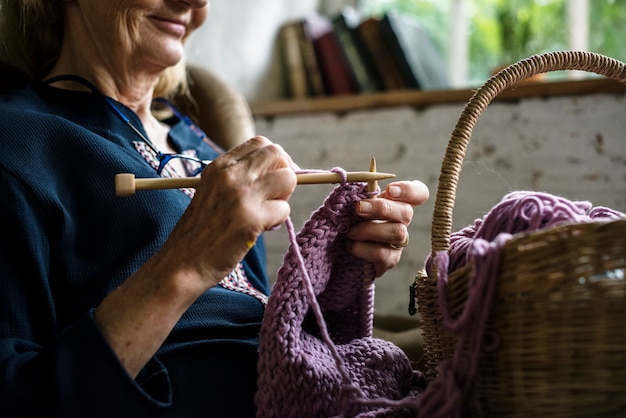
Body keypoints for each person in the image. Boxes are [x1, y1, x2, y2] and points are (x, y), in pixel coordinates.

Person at [0, 1, 430, 417]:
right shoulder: (17, 142)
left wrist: (337, 274)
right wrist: (186, 262)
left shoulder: (204, 146)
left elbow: (269, 330)